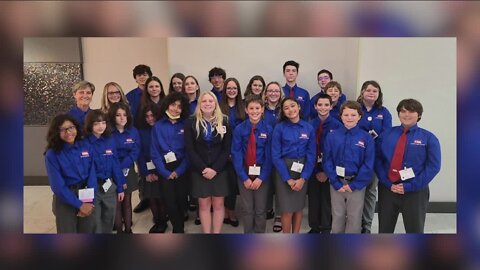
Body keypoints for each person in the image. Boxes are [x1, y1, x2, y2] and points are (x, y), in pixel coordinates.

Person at [376, 99, 441, 233]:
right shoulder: (386, 134)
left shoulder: (429, 138)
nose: (406, 114)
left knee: (415, 229)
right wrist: (388, 183)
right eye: (403, 111)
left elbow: (433, 166)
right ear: (399, 114)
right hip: (388, 189)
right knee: (384, 229)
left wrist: (410, 186)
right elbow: (377, 161)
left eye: (411, 111)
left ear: (419, 115)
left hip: (415, 190)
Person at [323, 101, 375, 233]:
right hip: (337, 183)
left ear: (359, 116)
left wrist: (355, 184)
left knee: (354, 217)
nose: (349, 118)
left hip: (356, 184)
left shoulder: (366, 138)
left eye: (353, 114)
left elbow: (368, 164)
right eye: (346, 114)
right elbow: (327, 160)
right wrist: (334, 181)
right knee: (337, 215)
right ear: (340, 116)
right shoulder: (332, 136)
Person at [184, 91, 232, 233]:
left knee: (218, 204)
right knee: (204, 205)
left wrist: (215, 169)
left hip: (220, 170)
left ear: (215, 104)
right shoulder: (191, 122)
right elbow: (190, 149)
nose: (207, 104)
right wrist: (203, 169)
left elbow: (226, 149)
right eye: (204, 101)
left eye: (211, 101)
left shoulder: (225, 121)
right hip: (199, 171)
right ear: (199, 104)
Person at [44, 114, 96, 233]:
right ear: (56, 132)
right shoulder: (52, 154)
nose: (68, 132)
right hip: (65, 198)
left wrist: (89, 201)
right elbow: (58, 187)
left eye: (71, 127)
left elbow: (92, 174)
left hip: (86, 194)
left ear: (76, 128)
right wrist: (79, 205)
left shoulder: (86, 146)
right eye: (63, 129)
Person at [271, 97, 316, 233]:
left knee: (298, 207)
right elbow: (276, 155)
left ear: (299, 107)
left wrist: (303, 178)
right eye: (286, 108)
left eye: (292, 106)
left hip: (302, 169)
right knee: (287, 209)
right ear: (283, 112)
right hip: (283, 169)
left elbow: (311, 155)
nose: (290, 110)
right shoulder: (279, 128)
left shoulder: (308, 128)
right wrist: (288, 179)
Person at [231, 95, 273, 233]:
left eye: (257, 108)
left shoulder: (268, 129)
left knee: (261, 209)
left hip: (262, 173)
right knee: (247, 208)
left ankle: (260, 235)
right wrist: (244, 177)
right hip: (244, 171)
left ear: (262, 110)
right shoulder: (239, 129)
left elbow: (270, 156)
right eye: (251, 108)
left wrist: (261, 178)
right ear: (246, 110)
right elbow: (236, 154)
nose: (254, 111)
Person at [356, 80, 392, 234]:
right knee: (356, 191)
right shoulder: (355, 108)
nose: (371, 93)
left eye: (375, 91)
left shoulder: (384, 112)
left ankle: (366, 225)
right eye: (368, 90)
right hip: (357, 157)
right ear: (362, 92)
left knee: (370, 192)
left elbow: (387, 134)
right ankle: (354, 222)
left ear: (379, 94)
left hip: (375, 158)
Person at [151, 92, 191, 233]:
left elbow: (189, 151)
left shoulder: (187, 124)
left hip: (182, 166)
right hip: (164, 168)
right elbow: (154, 152)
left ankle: (180, 223)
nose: (175, 109)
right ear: (167, 105)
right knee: (169, 200)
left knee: (181, 200)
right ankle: (177, 228)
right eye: (173, 105)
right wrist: (165, 172)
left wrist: (178, 171)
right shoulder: (158, 126)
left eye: (179, 107)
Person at [83, 109, 126, 233]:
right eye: (96, 123)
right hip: (92, 187)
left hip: (109, 186)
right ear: (90, 125)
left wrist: (120, 187)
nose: (100, 126)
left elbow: (115, 164)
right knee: (94, 222)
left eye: (103, 122)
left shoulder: (109, 140)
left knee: (109, 219)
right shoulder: (84, 143)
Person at [307, 94, 342, 234]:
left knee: (328, 199)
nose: (323, 108)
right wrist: (316, 171)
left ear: (331, 106)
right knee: (314, 199)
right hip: (313, 168)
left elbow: (338, 151)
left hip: (331, 169)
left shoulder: (338, 125)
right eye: (320, 105)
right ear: (315, 106)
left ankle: (327, 227)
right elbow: (308, 151)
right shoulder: (309, 125)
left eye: (326, 105)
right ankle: (314, 227)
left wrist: (327, 172)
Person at [108, 102, 140, 233]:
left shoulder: (133, 131)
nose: (122, 118)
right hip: (111, 170)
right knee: (116, 202)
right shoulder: (108, 132)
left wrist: (122, 166)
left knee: (127, 200)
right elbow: (108, 152)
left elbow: (136, 150)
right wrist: (117, 169)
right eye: (118, 115)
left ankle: (128, 229)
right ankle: (119, 231)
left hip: (128, 168)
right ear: (112, 117)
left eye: (124, 115)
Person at [136, 104, 168, 233]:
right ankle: (157, 220)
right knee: (152, 196)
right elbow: (140, 154)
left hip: (162, 168)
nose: (150, 119)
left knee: (162, 196)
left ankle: (164, 220)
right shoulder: (141, 132)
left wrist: (161, 171)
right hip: (148, 169)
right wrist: (146, 173)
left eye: (152, 116)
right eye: (147, 116)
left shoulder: (163, 129)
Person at [219, 77, 245, 227]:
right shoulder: (219, 107)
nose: (231, 90)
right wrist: (226, 152)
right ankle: (227, 212)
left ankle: (232, 211)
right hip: (223, 151)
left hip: (240, 151)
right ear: (225, 90)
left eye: (234, 88)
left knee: (235, 183)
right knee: (226, 183)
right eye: (229, 88)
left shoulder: (243, 106)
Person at [126, 64, 152, 214]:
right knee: (141, 166)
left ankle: (158, 196)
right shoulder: (130, 96)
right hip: (138, 135)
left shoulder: (155, 92)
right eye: (139, 75)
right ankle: (144, 198)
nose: (142, 77)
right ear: (135, 78)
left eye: (145, 74)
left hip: (154, 134)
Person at [263, 81, 284, 231]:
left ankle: (279, 215)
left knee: (280, 185)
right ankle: (268, 208)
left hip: (281, 153)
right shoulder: (260, 108)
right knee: (267, 183)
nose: (273, 93)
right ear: (266, 93)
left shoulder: (284, 109)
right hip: (263, 152)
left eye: (276, 91)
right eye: (270, 90)